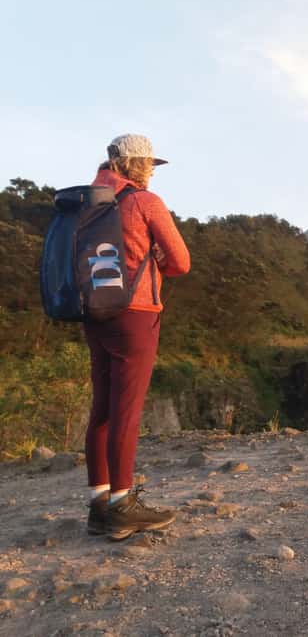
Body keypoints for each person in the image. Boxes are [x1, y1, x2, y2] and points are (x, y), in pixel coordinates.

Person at [84, 134, 190, 541]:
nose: (150, 171)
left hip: (94, 314)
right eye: (147, 163)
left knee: (103, 409)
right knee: (125, 410)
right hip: (136, 315)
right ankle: (124, 505)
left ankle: (99, 505)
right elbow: (181, 261)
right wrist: (158, 263)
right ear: (129, 163)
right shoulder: (145, 203)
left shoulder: (87, 204)